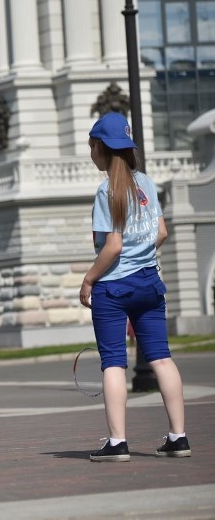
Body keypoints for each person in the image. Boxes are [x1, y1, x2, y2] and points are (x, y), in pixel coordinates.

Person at [79, 112, 190, 462]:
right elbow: (161, 233)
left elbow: (111, 246)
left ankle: (117, 443)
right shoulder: (145, 183)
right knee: (161, 357)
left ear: (100, 148)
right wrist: (141, 254)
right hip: (149, 282)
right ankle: (178, 437)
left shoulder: (106, 191)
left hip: (114, 288)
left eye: (91, 146)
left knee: (113, 362)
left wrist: (88, 279)